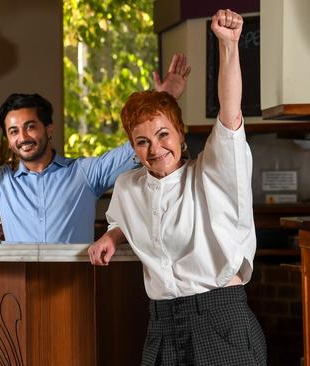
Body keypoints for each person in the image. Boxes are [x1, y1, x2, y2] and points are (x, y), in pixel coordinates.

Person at [88, 9, 266, 365]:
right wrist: (112, 236)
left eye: (163, 134)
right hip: (162, 324)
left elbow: (230, 112)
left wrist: (228, 45)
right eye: (142, 141)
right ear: (133, 148)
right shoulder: (128, 186)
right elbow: (129, 218)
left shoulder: (213, 173)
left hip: (220, 319)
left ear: (181, 134)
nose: (155, 149)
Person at [0, 55, 190, 243]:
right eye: (13, 131)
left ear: (48, 129)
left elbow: (139, 147)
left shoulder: (85, 174)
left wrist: (164, 100)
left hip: (75, 288)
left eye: (30, 126)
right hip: (17, 291)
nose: (23, 137)